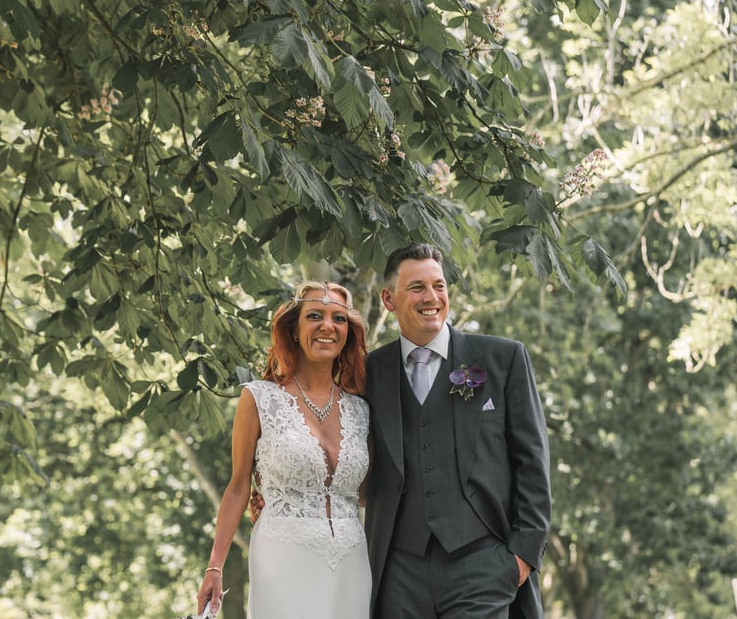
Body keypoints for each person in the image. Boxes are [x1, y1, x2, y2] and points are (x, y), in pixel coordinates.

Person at [364, 243, 552, 618]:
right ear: (388, 299)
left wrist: (523, 554)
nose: (431, 297)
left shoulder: (503, 359)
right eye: (417, 287)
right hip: (399, 572)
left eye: (439, 285)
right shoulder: (369, 371)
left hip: (483, 563)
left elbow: (532, 460)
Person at [196, 281, 372, 618]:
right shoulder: (259, 398)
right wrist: (215, 567)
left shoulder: (361, 410)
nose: (328, 326)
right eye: (315, 316)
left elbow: (370, 495)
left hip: (352, 562)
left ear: (348, 332)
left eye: (339, 318)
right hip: (282, 558)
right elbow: (238, 488)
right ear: (293, 329)